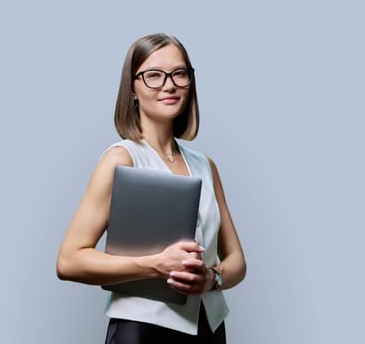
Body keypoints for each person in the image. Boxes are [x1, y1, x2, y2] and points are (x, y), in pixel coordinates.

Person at [56, 33, 246, 344]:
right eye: (153, 76)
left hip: (208, 329)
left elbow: (237, 259)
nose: (169, 85)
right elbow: (69, 260)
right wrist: (154, 265)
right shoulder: (121, 159)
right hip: (143, 331)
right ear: (132, 89)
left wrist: (212, 278)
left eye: (179, 74)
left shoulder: (205, 165)